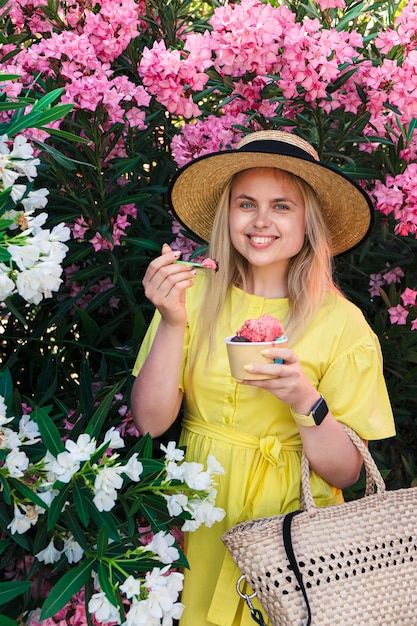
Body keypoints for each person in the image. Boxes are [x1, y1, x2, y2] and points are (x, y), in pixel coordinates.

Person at [130, 130, 395, 626]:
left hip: (293, 529)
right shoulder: (190, 294)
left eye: (282, 206)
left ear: (308, 223)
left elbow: (345, 474)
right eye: (245, 203)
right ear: (227, 215)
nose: (261, 221)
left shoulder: (343, 324)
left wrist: (305, 400)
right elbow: (148, 422)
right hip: (199, 509)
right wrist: (171, 321)